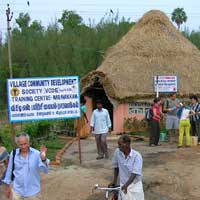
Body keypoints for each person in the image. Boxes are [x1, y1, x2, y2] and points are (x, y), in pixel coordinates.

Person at [3, 133, 49, 200]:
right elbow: (9, 170)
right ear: (17, 144)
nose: (23, 146)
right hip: (17, 191)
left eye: (25, 144)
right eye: (21, 145)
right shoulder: (14, 153)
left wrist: (43, 159)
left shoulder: (36, 154)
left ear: (28, 143)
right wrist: (7, 187)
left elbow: (46, 170)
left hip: (33, 192)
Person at [109, 135, 144, 200]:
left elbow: (134, 173)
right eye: (118, 144)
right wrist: (114, 181)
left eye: (120, 144)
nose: (118, 147)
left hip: (135, 185)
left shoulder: (137, 156)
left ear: (127, 144)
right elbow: (116, 167)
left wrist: (126, 185)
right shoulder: (117, 152)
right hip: (123, 184)